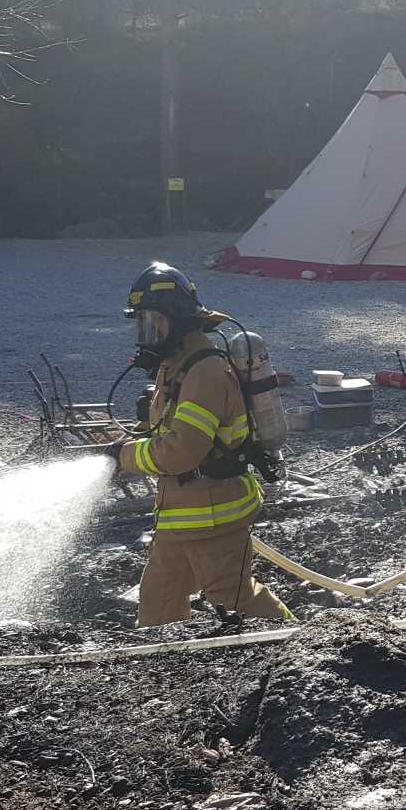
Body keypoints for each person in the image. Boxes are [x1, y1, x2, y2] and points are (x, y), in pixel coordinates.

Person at [109, 262, 292, 628]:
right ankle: (158, 656)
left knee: (234, 597)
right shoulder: (176, 364)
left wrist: (124, 457)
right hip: (181, 512)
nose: (146, 334)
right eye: (141, 323)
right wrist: (129, 441)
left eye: (153, 322)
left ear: (178, 320)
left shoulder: (205, 371)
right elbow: (165, 428)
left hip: (215, 512)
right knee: (159, 596)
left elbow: (182, 451)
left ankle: (300, 637)